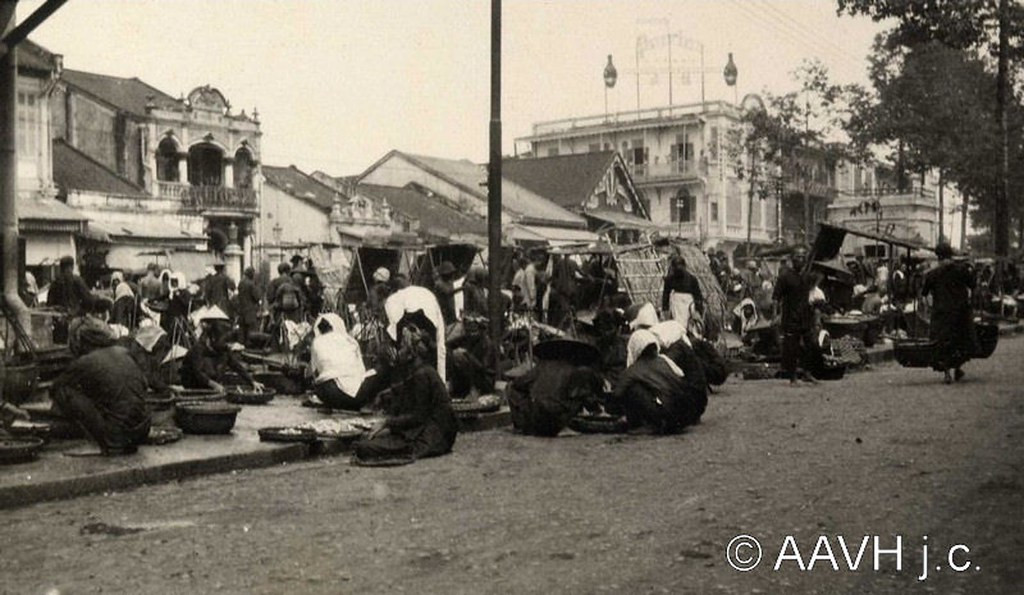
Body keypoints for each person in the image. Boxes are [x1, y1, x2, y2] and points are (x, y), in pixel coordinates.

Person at [352, 312, 457, 464]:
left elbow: (418, 416)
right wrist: (388, 393)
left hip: (433, 435)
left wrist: (387, 422)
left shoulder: (422, 373)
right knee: (369, 442)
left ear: (409, 352)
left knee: (364, 447)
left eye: (401, 347)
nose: (398, 351)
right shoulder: (420, 370)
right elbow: (406, 386)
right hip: (429, 431)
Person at [51, 344, 152, 455]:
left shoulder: (86, 360)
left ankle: (95, 442)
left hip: (116, 435)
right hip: (142, 430)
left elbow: (55, 386)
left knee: (63, 391)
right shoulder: (123, 351)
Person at [613, 329, 707, 434]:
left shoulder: (633, 370)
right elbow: (680, 377)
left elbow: (617, 394)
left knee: (631, 389)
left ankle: (652, 424)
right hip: (686, 413)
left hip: (667, 415)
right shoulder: (664, 361)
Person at [921, 242, 976, 384]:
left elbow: (924, 293)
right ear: (951, 255)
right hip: (960, 313)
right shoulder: (961, 270)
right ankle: (958, 368)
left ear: (938, 257)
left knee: (942, 343)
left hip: (941, 313)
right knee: (960, 341)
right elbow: (973, 285)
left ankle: (946, 372)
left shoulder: (932, 274)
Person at [180, 317, 264, 393]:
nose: (226, 344)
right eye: (223, 341)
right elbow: (198, 373)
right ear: (212, 338)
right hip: (193, 385)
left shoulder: (223, 349)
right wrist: (214, 385)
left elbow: (236, 366)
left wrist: (252, 381)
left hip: (211, 384)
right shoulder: (198, 349)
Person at [309, 314, 374, 411]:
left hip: (331, 393)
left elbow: (314, 372)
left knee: (319, 381)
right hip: (359, 395)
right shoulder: (351, 341)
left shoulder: (317, 342)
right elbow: (361, 369)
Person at [773, 247, 817, 385]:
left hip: (805, 317)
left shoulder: (806, 276)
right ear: (792, 259)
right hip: (790, 317)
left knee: (810, 345)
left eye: (803, 256)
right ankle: (793, 377)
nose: (801, 259)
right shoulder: (785, 276)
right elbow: (776, 298)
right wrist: (776, 316)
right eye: (798, 257)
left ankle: (807, 373)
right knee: (792, 348)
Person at [446, 314, 496, 400]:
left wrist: (467, 355)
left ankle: (475, 390)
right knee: (454, 355)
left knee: (460, 356)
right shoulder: (466, 339)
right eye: (469, 329)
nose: (472, 333)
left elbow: (483, 368)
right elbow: (448, 345)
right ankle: (455, 388)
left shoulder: (487, 344)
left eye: (475, 330)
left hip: (483, 380)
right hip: (466, 380)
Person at [661, 254, 704, 332]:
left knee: (689, 326)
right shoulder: (670, 280)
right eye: (676, 267)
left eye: (680, 266)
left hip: (689, 306)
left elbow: (698, 296)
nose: (678, 269)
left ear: (684, 267)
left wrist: (698, 310)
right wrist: (665, 309)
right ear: (673, 268)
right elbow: (666, 296)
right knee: (677, 325)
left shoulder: (692, 279)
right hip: (676, 307)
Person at [235, 267, 262, 346]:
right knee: (251, 331)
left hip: (242, 309)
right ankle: (249, 347)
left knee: (242, 330)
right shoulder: (251, 284)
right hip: (250, 310)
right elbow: (257, 297)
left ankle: (240, 346)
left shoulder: (241, 283)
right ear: (251, 274)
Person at [432, 261, 458, 325]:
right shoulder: (439, 284)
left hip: (450, 310)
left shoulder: (449, 282)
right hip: (442, 310)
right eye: (450, 273)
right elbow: (448, 292)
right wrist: (461, 288)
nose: (452, 275)